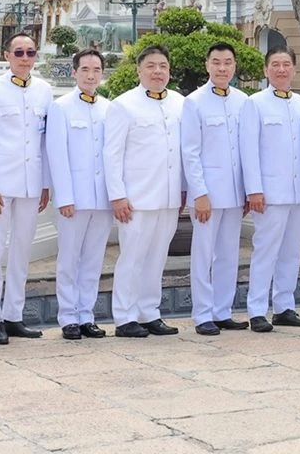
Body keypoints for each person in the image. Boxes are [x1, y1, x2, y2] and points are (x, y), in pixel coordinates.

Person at [0, 30, 54, 345]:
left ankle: (13, 315)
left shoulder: (44, 90)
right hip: (0, 184)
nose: (24, 58)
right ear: (7, 56)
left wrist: (45, 183)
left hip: (31, 183)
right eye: (18, 52)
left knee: (22, 251)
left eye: (30, 52)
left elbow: (45, 141)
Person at [105, 43, 185, 337]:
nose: (157, 71)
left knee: (157, 257)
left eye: (163, 66)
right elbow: (112, 154)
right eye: (151, 66)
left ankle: (149, 312)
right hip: (136, 198)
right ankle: (125, 316)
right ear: (139, 70)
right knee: (132, 258)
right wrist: (117, 195)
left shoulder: (180, 103)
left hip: (169, 196)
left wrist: (184, 190)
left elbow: (184, 151)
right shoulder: (123, 105)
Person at [239, 47, 300, 333]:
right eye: (275, 64)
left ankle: (284, 307)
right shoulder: (255, 103)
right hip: (269, 193)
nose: (281, 70)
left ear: (294, 69)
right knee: (265, 251)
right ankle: (257, 310)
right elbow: (249, 151)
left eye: (286, 64)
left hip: (296, 191)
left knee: (291, 252)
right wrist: (253, 190)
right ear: (265, 70)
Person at [181, 41, 250, 336]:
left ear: (235, 66)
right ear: (207, 65)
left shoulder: (243, 101)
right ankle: (202, 314)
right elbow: (190, 152)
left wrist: (248, 190)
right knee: (203, 255)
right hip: (207, 194)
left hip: (235, 193)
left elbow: (247, 151)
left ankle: (222, 311)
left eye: (228, 63)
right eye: (217, 62)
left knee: (228, 254)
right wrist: (199, 193)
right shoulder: (194, 102)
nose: (222, 68)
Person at [46, 48, 112, 340]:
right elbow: (57, 155)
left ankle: (86, 315)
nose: (90, 75)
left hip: (102, 198)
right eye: (85, 69)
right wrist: (65, 197)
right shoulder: (61, 107)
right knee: (69, 259)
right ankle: (68, 317)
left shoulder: (109, 108)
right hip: (74, 198)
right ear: (74, 72)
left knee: (94, 260)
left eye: (96, 70)